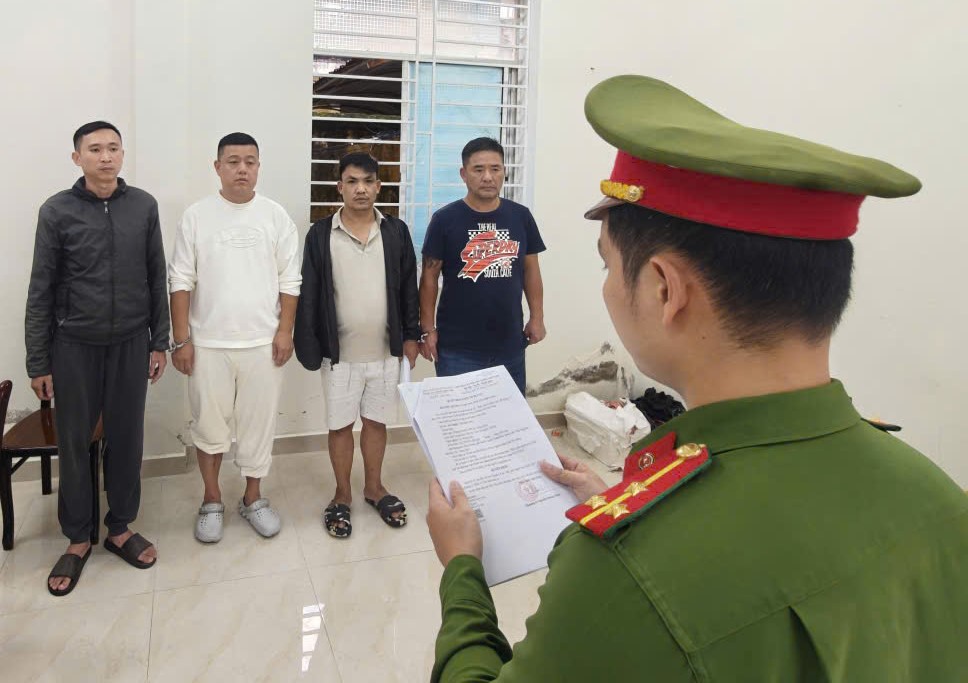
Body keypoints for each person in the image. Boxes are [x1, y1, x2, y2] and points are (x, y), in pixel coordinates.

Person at [425, 76, 968, 681]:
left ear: (665, 289)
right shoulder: (941, 500)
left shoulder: (623, 574)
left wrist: (462, 570)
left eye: (608, 266)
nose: (608, 288)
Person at [26, 121, 170, 596]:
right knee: (73, 442)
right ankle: (77, 536)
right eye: (94, 149)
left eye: (113, 148)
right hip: (74, 345)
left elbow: (156, 276)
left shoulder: (143, 206)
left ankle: (121, 528)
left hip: (131, 341)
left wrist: (159, 341)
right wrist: (38, 361)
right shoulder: (57, 211)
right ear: (77, 158)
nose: (105, 157)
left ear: (122, 154)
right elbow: (41, 288)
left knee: (127, 438)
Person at [168, 132, 301, 543]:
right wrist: (181, 339)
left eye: (250, 161)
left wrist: (285, 331)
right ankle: (211, 499)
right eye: (233, 161)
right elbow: (180, 279)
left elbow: (290, 280)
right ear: (218, 167)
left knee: (258, 426)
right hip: (208, 344)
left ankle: (253, 498)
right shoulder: (196, 216)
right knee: (209, 427)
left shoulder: (275, 216)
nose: (242, 169)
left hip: (263, 343)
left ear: (258, 166)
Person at [294, 152, 420, 538]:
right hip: (339, 356)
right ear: (340, 187)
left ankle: (374, 488)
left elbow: (408, 287)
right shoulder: (321, 234)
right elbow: (309, 293)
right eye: (352, 181)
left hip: (385, 352)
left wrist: (411, 335)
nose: (360, 189)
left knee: (377, 422)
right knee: (340, 426)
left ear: (379, 187)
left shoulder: (396, 232)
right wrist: (308, 344)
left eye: (368, 181)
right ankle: (342, 494)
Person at [419, 137, 546, 394]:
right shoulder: (444, 220)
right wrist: (427, 329)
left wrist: (537, 317)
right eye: (478, 169)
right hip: (457, 349)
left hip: (510, 345)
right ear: (463, 174)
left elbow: (531, 270)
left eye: (495, 169)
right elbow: (429, 278)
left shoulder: (520, 216)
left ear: (504, 171)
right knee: (460, 416)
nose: (488, 177)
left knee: (508, 414)